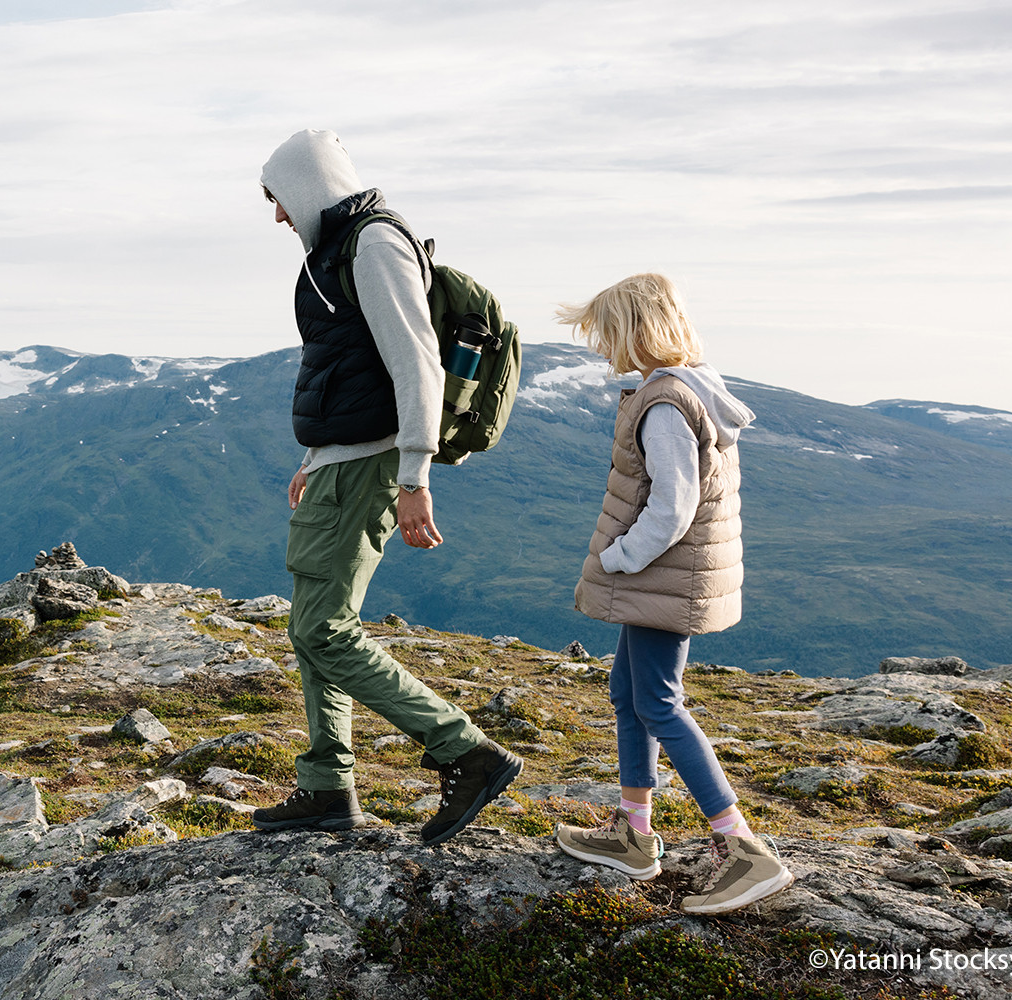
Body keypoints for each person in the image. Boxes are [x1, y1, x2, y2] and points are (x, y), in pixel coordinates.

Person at [249, 129, 521, 844]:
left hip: (371, 466)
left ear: (305, 187)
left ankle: (466, 750)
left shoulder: (374, 244)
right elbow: (350, 365)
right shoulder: (340, 249)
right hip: (340, 462)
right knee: (311, 627)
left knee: (325, 630)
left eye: (279, 199)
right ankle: (326, 786)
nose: (278, 216)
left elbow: (416, 365)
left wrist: (412, 477)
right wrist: (315, 456)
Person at [551, 273, 794, 914]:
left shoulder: (663, 405)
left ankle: (743, 849)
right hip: (666, 579)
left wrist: (621, 557)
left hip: (661, 576)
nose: (602, 349)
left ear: (634, 331)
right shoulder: (688, 389)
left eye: (606, 335)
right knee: (629, 693)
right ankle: (634, 831)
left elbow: (673, 504)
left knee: (658, 701)